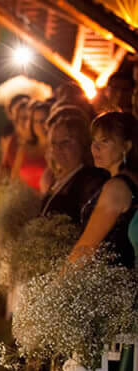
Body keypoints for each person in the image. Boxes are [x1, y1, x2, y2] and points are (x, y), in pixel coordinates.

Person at [71, 111, 138, 268]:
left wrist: (58, 279)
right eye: (94, 141)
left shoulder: (116, 187)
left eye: (104, 141)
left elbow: (86, 248)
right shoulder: (129, 180)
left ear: (126, 146)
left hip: (113, 276)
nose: (95, 147)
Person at [41, 116, 109, 222]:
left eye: (65, 142)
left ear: (83, 143)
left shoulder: (90, 179)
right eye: (53, 143)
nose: (57, 148)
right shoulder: (56, 177)